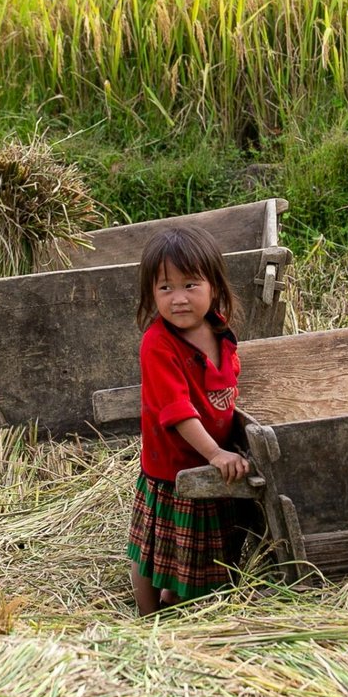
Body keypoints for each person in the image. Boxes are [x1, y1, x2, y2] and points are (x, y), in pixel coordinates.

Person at [128, 226, 252, 614]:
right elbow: (179, 411)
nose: (178, 299)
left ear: (213, 286)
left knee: (197, 549)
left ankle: (175, 595)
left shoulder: (219, 329)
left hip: (209, 463)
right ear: (152, 294)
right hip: (172, 467)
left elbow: (228, 377)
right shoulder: (158, 344)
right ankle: (145, 615)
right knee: (152, 547)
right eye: (165, 288)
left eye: (190, 285)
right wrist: (216, 453)